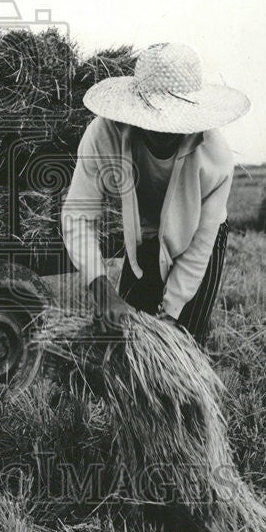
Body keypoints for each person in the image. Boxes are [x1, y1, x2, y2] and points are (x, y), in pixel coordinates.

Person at [61, 42, 251, 343]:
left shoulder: (216, 159)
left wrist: (171, 311)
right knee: (124, 337)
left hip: (199, 232)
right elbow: (79, 216)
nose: (163, 133)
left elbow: (201, 245)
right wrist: (101, 289)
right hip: (147, 231)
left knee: (185, 341)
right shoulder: (104, 134)